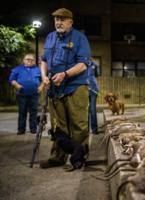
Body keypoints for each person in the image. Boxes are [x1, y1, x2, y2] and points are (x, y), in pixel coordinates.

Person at [39, 8, 91, 168]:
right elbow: (43, 60)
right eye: (56, 19)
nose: (58, 22)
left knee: (78, 124)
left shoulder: (79, 38)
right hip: (55, 89)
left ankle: (78, 158)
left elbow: (83, 64)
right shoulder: (50, 37)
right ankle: (57, 156)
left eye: (62, 19)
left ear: (70, 22)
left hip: (75, 87)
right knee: (58, 126)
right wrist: (44, 76)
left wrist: (65, 74)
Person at [9, 53, 44, 135]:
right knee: (22, 112)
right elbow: (11, 79)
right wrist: (16, 85)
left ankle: (33, 129)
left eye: (31, 60)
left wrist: (41, 87)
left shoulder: (37, 69)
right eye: (27, 59)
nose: (30, 61)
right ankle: (21, 130)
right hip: (22, 94)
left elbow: (43, 79)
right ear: (23, 60)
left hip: (34, 94)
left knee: (33, 112)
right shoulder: (17, 69)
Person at [87, 59, 100, 134]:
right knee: (92, 109)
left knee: (87, 110)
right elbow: (97, 75)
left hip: (87, 88)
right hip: (93, 87)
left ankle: (86, 130)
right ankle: (94, 130)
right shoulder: (95, 64)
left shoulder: (81, 63)